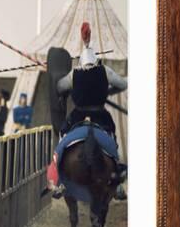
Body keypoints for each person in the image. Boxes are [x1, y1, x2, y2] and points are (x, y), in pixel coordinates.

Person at [48, 22, 128, 198]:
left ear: (80, 62)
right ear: (97, 60)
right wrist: (108, 91)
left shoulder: (74, 74)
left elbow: (60, 88)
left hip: (78, 114)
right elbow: (123, 84)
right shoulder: (105, 71)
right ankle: (117, 181)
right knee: (111, 138)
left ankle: (59, 181)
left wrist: (65, 84)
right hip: (100, 114)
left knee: (63, 135)